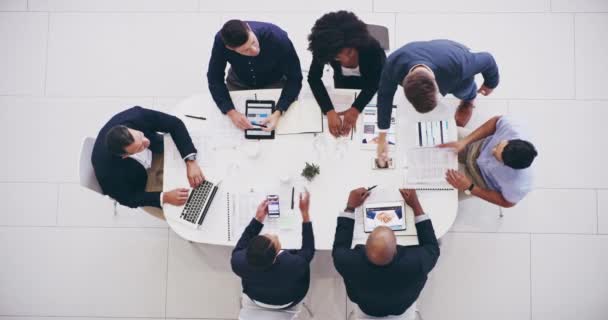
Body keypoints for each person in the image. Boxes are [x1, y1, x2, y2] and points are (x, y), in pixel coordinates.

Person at [376, 39, 499, 166]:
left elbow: (487, 59)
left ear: (437, 84)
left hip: (449, 57)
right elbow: (384, 96)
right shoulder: (392, 65)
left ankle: (468, 100)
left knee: (464, 90)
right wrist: (382, 138)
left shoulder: (458, 64)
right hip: (423, 57)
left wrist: (490, 83)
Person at [332, 188, 440, 318]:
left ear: (366, 246)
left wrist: (350, 207)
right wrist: (416, 205)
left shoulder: (347, 262)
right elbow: (432, 247)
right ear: (395, 247)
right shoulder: (417, 263)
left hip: (367, 309)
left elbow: (339, 246)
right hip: (401, 308)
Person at [92, 106, 204, 218]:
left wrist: (190, 162)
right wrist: (164, 197)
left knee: (202, 165)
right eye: (140, 147)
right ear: (125, 156)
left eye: (140, 136)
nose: (146, 141)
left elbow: (175, 124)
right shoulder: (107, 171)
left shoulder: (136, 116)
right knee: (183, 212)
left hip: (157, 151)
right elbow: (128, 199)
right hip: (140, 181)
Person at [207, 19, 303, 132]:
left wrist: (279, 111)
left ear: (249, 28)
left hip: (274, 81)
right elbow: (214, 78)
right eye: (245, 50)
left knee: (282, 127)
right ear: (230, 48)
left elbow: (295, 77)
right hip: (238, 82)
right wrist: (231, 112)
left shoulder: (277, 37)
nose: (254, 50)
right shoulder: (221, 41)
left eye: (253, 42)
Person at [307, 11, 386, 137]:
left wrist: (356, 109)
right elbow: (313, 78)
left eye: (349, 52)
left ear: (356, 44)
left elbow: (375, 81)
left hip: (369, 78)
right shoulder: (324, 48)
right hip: (342, 80)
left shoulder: (372, 48)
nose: (345, 60)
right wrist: (328, 110)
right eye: (337, 58)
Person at [231, 192, 315, 309]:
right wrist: (305, 214)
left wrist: (258, 219)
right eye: (275, 241)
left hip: (256, 296)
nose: (274, 235)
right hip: (289, 300)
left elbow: (242, 243)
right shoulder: (295, 265)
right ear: (275, 256)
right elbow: (308, 249)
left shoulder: (237, 262)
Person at [439, 115, 537, 208]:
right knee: (438, 134)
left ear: (507, 165)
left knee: (437, 190)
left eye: (496, 157)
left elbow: (507, 202)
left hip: (478, 179)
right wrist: (464, 142)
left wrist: (469, 187)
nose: (493, 151)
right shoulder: (512, 127)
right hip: (476, 144)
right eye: (497, 145)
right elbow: (495, 121)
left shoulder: (519, 185)